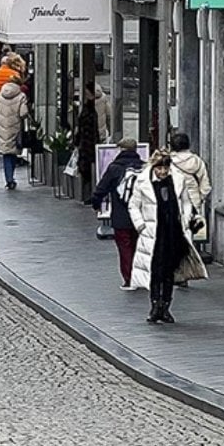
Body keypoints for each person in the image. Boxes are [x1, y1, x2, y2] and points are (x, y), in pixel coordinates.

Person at [125, 150, 208, 323]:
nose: (162, 172)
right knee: (155, 271)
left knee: (169, 271)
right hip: (153, 233)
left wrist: (186, 218)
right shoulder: (142, 182)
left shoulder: (178, 180)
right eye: (159, 168)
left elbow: (186, 201)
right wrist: (140, 225)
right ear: (153, 167)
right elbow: (133, 205)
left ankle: (166, 306)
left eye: (165, 168)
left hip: (173, 231)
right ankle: (155, 306)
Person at [91, 138, 146, 290]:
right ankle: (141, 276)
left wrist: (96, 204)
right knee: (139, 247)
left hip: (121, 216)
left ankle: (129, 279)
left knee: (125, 248)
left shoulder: (114, 168)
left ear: (121, 150)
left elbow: (101, 189)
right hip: (141, 216)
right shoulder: (144, 167)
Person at [0, 79, 29, 190]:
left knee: (6, 154)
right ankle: (11, 178)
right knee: (13, 153)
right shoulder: (21, 96)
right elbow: (23, 113)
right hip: (16, 129)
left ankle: (9, 179)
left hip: (2, 129)